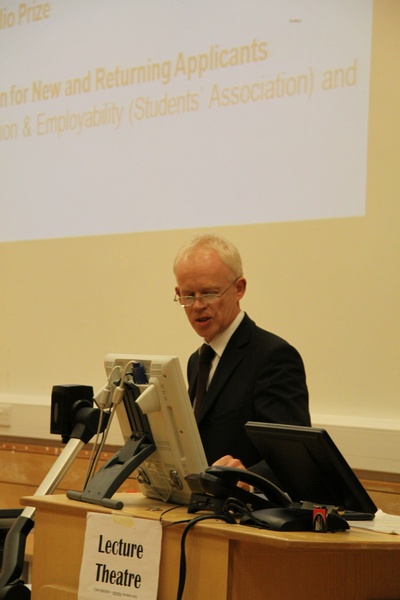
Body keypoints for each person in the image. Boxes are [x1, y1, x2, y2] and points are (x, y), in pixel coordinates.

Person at [173, 234, 311, 477]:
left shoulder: (274, 357)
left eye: (208, 293)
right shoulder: (197, 361)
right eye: (188, 295)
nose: (197, 305)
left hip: (249, 511)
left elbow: (294, 457)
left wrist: (247, 479)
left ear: (239, 289)